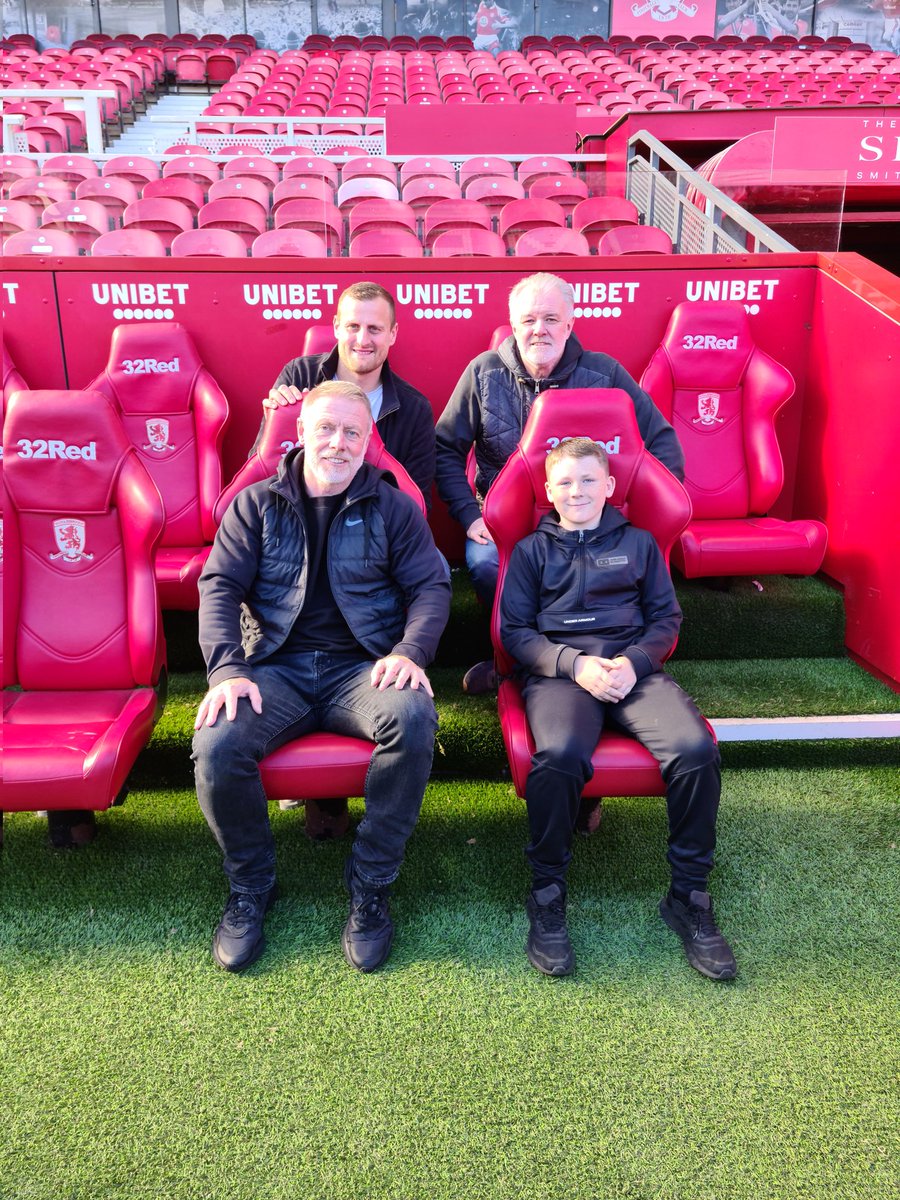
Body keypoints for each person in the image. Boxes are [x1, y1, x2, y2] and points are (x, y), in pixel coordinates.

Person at [192, 380, 451, 974]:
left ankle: (371, 885)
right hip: (274, 668)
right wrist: (227, 669)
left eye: (352, 432)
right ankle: (251, 886)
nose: (338, 443)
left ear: (368, 439)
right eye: (327, 429)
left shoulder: (394, 507)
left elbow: (432, 586)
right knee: (217, 742)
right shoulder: (254, 505)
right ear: (301, 432)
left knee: (412, 717)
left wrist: (410, 652)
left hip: (363, 668)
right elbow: (219, 587)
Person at [499, 437, 736, 982]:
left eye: (588, 480)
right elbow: (515, 631)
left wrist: (634, 662)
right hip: (562, 675)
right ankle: (547, 893)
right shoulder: (531, 552)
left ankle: (689, 897)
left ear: (609, 486)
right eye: (564, 482)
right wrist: (573, 664)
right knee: (558, 756)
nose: (577, 491)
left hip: (634, 671)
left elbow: (666, 620)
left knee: (695, 750)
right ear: (548, 491)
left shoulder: (640, 543)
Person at [435, 272, 684, 695]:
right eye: (529, 320)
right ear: (513, 326)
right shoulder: (483, 373)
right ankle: (510, 661)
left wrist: (647, 516)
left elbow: (661, 443)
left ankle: (605, 657)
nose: (540, 329)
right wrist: (469, 514)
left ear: (570, 324)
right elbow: (444, 449)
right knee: (485, 563)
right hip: (505, 523)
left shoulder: (604, 373)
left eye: (551, 319)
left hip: (586, 519)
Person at [262, 281, 435, 509]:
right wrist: (277, 423)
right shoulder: (298, 376)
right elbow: (263, 470)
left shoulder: (415, 409)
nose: (362, 340)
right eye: (353, 326)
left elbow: (416, 504)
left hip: (374, 524)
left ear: (392, 334)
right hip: (295, 517)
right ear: (337, 327)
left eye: (374, 329)